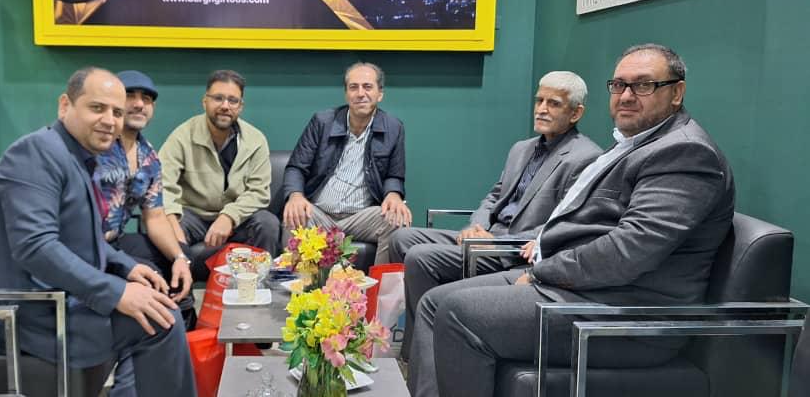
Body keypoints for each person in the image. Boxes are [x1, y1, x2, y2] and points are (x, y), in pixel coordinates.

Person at [407, 44, 735, 397]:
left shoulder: (684, 151)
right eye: (618, 85)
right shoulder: (634, 144)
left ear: (677, 92)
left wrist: (541, 272)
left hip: (626, 313)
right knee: (434, 302)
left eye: (643, 85)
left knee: (457, 312)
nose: (626, 96)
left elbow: (628, 252)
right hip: (583, 287)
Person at [0, 67, 196, 397]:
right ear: (65, 105)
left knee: (161, 309)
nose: (110, 121)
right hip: (31, 312)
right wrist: (117, 292)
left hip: (60, 297)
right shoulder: (35, 154)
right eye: (97, 108)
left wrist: (127, 266)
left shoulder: (79, 156)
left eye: (117, 112)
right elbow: (35, 247)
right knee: (162, 318)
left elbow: (80, 236)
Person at [390, 71, 601, 359]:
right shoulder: (522, 148)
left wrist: (495, 241)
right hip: (489, 235)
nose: (541, 109)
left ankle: (425, 356)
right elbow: (494, 196)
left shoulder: (585, 157)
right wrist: (476, 225)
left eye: (553, 103)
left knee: (420, 257)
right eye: (539, 100)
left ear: (576, 113)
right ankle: (416, 346)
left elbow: (563, 225)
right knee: (402, 238)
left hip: (515, 248)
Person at [281, 62, 411, 264]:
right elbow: (296, 167)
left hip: (361, 217)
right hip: (319, 213)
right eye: (353, 87)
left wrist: (393, 194)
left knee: (396, 220)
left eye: (367, 87)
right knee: (294, 214)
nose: (360, 93)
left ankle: (381, 285)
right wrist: (295, 195)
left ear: (380, 94)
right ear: (346, 94)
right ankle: (297, 283)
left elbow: (394, 175)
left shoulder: (394, 127)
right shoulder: (323, 122)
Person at [93, 70, 195, 324]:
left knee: (180, 258)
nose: (139, 104)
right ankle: (167, 326)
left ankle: (189, 331)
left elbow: (155, 217)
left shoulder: (149, 156)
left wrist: (180, 259)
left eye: (146, 99)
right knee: (153, 276)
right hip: (87, 248)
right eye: (130, 95)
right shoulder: (96, 146)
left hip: (116, 241)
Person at [160, 69, 279, 273]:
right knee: (165, 228)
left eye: (233, 100)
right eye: (218, 98)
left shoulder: (255, 140)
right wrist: (173, 227)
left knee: (267, 223)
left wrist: (229, 216)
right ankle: (179, 285)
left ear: (240, 106)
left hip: (238, 220)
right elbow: (162, 186)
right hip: (193, 216)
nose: (225, 106)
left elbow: (259, 192)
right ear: (204, 101)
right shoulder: (182, 135)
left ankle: (258, 284)